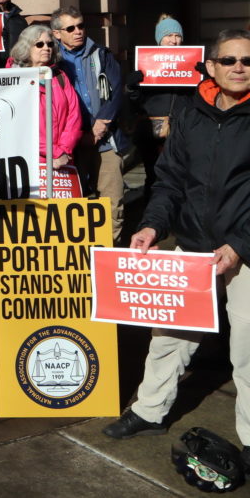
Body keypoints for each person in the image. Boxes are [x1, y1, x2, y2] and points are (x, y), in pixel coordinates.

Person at [101, 30, 250, 452]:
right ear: (211, 67)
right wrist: (152, 225)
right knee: (169, 336)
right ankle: (149, 412)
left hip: (245, 249)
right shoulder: (190, 113)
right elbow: (169, 180)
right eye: (230, 60)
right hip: (192, 244)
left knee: (248, 348)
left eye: (247, 61)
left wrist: (239, 244)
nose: (239, 68)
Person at [51, 5, 127, 243]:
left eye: (81, 26)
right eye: (71, 28)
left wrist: (101, 124)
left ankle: (109, 251)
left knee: (112, 202)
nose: (78, 31)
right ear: (57, 34)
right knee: (74, 203)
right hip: (69, 145)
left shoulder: (101, 54)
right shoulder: (52, 61)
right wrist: (79, 134)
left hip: (105, 140)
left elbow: (116, 90)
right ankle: (81, 257)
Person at [126, 15, 194, 194]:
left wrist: (204, 78)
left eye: (177, 36)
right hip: (152, 133)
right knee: (154, 178)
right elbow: (135, 105)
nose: (174, 40)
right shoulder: (146, 64)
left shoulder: (190, 63)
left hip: (181, 130)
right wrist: (133, 88)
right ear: (159, 39)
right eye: (169, 35)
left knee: (182, 178)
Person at [6, 25, 82, 169]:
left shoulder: (60, 76)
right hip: (31, 163)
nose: (46, 48)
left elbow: (74, 115)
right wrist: (55, 152)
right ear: (26, 47)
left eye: (50, 44)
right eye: (39, 44)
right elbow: (19, 127)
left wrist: (64, 151)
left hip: (64, 160)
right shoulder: (14, 80)